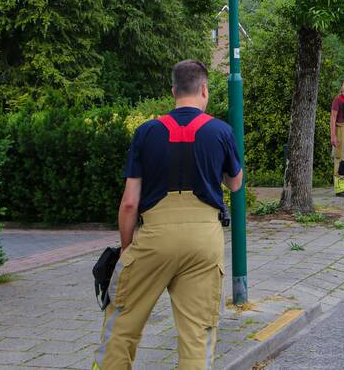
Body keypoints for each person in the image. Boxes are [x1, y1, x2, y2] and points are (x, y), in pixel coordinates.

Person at [94, 59, 243, 370]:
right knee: (197, 333)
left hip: (154, 238)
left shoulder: (146, 132)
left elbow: (130, 203)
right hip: (204, 239)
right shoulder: (221, 131)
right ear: (204, 90)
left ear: (173, 91)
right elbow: (235, 182)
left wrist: (126, 248)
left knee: (122, 322)